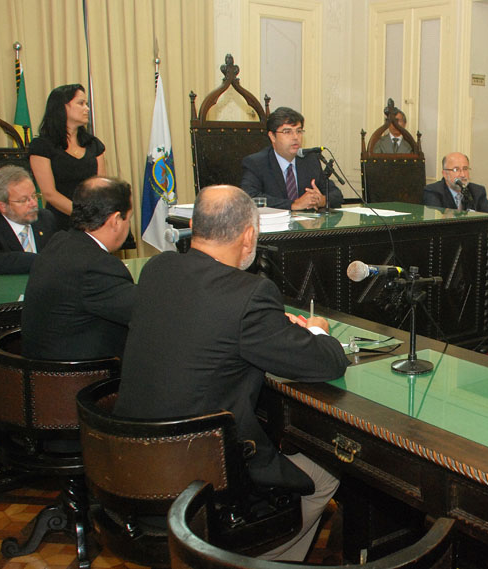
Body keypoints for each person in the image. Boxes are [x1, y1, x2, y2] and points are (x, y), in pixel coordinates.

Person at [115, 185, 347, 562]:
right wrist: (318, 329)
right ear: (249, 235)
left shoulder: (157, 269)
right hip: (204, 481)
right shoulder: (250, 293)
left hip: (131, 465)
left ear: (194, 227)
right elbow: (327, 362)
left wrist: (272, 328)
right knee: (327, 472)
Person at [21, 177, 136, 360]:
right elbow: (144, 312)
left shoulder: (59, 242)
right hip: (81, 373)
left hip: (43, 365)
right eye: (128, 219)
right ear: (115, 220)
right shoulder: (97, 265)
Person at [29, 84, 105, 231]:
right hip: (60, 222)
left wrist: (97, 217)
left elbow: (101, 186)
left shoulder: (93, 144)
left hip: (93, 220)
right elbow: (49, 193)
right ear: (62, 107)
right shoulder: (42, 146)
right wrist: (83, 217)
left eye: (86, 104)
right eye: (81, 103)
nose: (87, 109)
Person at [240, 107, 343, 211]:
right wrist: (293, 205)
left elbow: (336, 195)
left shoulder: (310, 160)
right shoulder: (256, 163)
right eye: (287, 132)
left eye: (299, 131)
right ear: (272, 136)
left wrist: (321, 200)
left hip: (308, 221)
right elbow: (248, 198)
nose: (295, 137)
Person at [0, 165, 57, 274]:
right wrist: (45, 259)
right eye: (23, 200)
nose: (34, 203)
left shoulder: (45, 218)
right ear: (2, 206)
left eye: (34, 196)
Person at [423, 152, 488, 214]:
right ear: (445, 174)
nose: (463, 175)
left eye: (465, 169)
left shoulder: (477, 191)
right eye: (456, 169)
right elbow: (435, 222)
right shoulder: (433, 191)